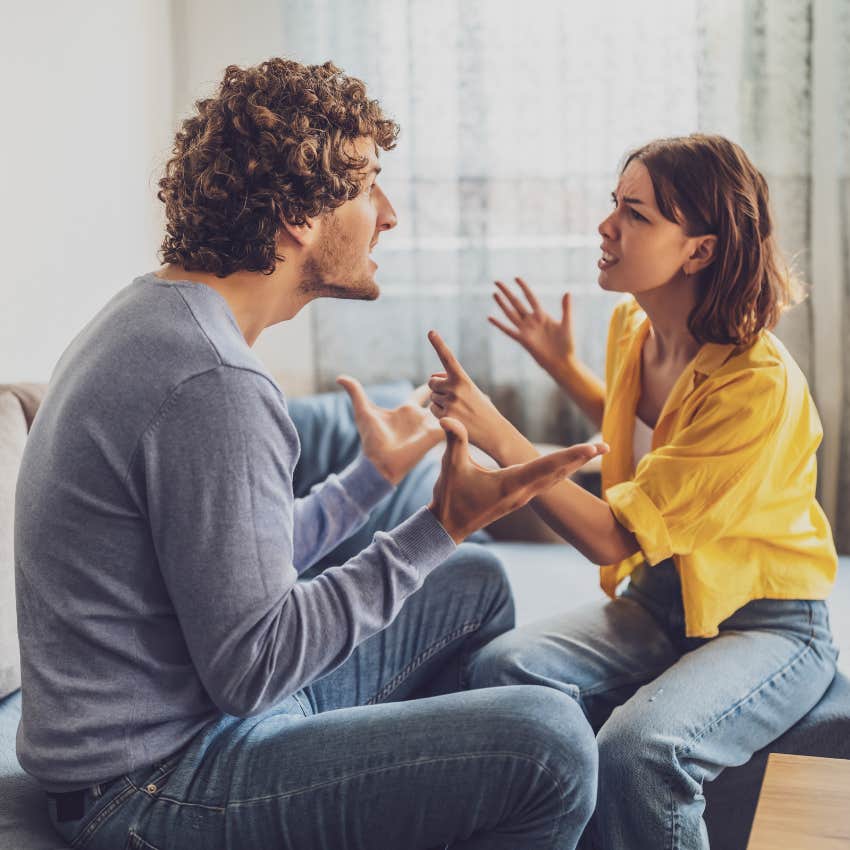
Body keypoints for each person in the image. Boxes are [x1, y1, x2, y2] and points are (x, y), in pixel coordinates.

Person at [14, 58, 607, 850]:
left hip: (189, 728)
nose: (388, 214)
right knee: (551, 744)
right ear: (298, 213)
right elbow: (253, 665)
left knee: (474, 584)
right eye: (368, 187)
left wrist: (371, 482)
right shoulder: (213, 380)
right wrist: (439, 524)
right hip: (152, 785)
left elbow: (226, 566)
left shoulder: (154, 316)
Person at [426, 133, 839, 850]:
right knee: (503, 667)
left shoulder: (757, 386)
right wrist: (564, 367)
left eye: (636, 214)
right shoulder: (634, 327)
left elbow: (616, 534)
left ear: (699, 250)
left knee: (641, 750)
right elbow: (653, 439)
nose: (606, 226)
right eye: (614, 205)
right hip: (660, 600)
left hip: (767, 623)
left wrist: (500, 434)